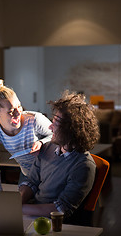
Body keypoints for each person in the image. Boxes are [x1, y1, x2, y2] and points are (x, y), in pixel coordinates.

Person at [18, 90, 100, 222]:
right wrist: (16, 202)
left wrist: (20, 209)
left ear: (71, 129)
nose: (50, 127)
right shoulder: (48, 147)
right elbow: (31, 181)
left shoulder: (84, 166)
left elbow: (62, 208)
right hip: (32, 214)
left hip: (56, 224)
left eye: (56, 123)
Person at [0, 77, 53, 191]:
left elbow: (59, 136)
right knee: (18, 204)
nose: (18, 113)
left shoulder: (34, 119)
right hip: (28, 173)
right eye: (11, 111)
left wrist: (41, 142)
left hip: (50, 171)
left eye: (19, 106)